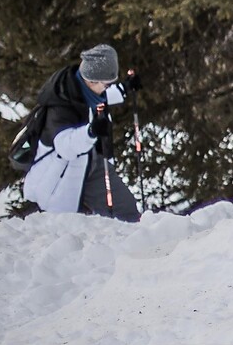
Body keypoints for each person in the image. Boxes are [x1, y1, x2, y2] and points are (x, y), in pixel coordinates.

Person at [20, 43, 142, 220]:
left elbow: (101, 96)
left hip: (91, 165)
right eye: (107, 84)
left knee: (126, 211)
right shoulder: (60, 105)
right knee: (68, 235)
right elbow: (65, 146)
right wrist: (91, 132)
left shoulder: (82, 87)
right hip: (61, 178)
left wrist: (124, 88)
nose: (108, 88)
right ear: (92, 80)